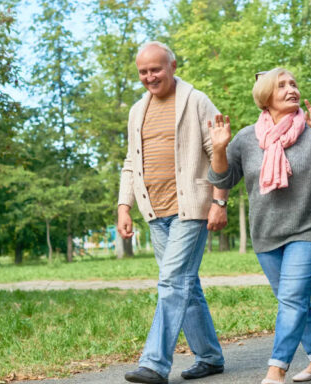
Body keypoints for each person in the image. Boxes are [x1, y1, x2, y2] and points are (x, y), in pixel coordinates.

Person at [208, 68, 311, 384]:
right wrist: (219, 149)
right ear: (265, 96)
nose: (291, 89)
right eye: (282, 85)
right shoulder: (246, 138)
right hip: (267, 234)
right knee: (294, 298)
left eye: (294, 83)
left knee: (292, 298)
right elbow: (222, 178)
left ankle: (276, 369)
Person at [117, 41, 230, 384]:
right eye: (143, 71)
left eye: (156, 69)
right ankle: (210, 357)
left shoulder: (195, 100)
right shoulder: (137, 110)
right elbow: (130, 162)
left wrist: (219, 201)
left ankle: (154, 364)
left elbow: (219, 152)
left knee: (171, 282)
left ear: (173, 66)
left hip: (191, 208)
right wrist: (124, 206)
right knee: (186, 286)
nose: (150, 76)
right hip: (155, 212)